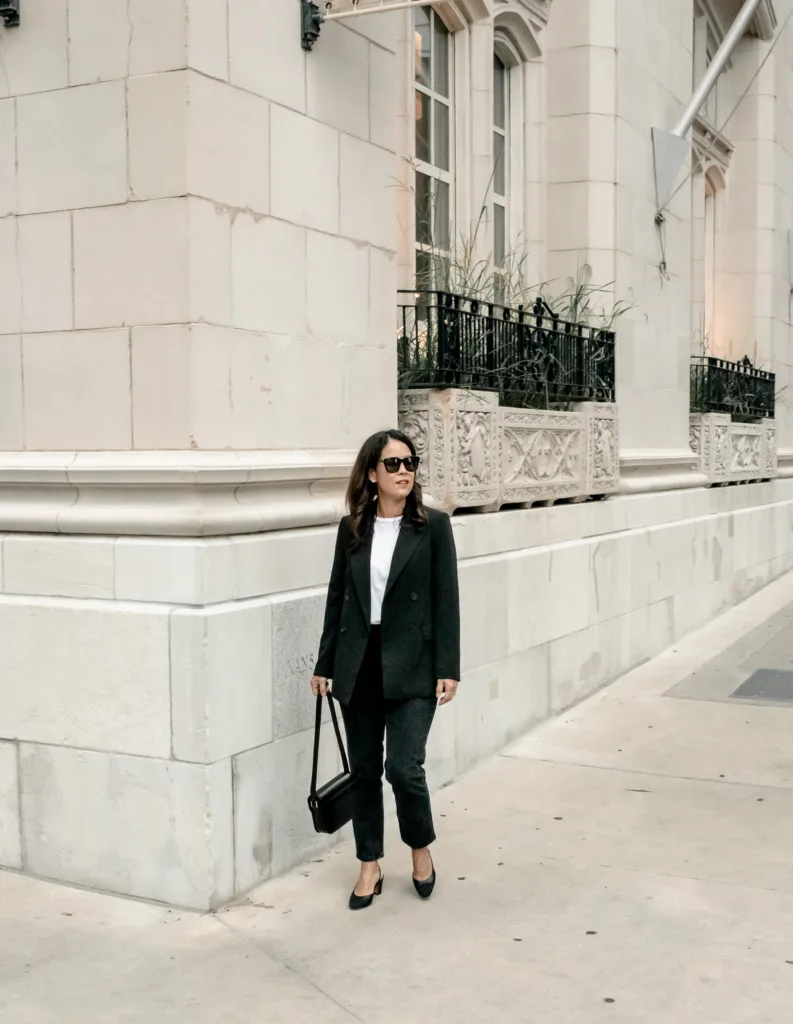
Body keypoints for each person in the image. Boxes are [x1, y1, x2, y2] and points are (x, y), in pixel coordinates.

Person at [311, 429, 461, 910]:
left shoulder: (433, 526)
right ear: (372, 473)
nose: (404, 471)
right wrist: (324, 663)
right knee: (364, 773)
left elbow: (446, 600)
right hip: (359, 662)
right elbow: (339, 599)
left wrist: (449, 667)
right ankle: (369, 864)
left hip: (414, 664)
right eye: (393, 464)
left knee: (403, 767)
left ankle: (420, 850)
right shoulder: (351, 529)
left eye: (410, 462)